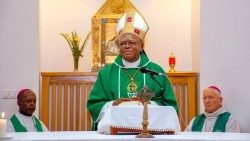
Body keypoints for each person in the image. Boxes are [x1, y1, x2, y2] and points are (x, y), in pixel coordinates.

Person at [87, 10, 178, 130]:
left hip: (150, 132)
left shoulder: (156, 71)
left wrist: (149, 105)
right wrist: (113, 104)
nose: (126, 46)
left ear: (141, 46)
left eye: (131, 42)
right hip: (115, 133)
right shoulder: (106, 74)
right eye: (122, 43)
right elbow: (94, 104)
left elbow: (169, 106)